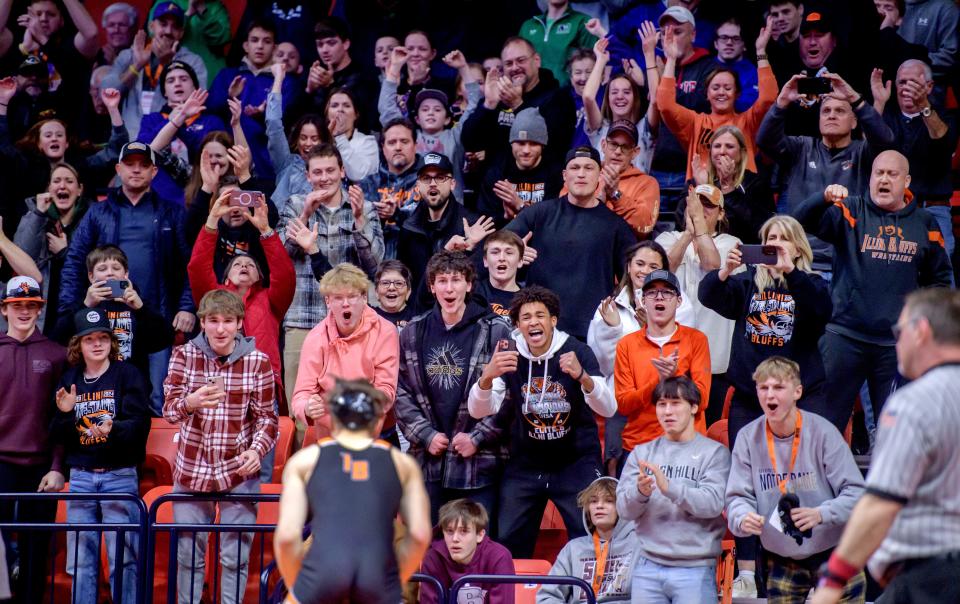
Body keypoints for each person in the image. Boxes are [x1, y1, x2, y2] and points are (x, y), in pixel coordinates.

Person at [810, 289, 960, 604]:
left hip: (932, 576)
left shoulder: (914, 402)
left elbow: (881, 503)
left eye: (899, 331)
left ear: (921, 332)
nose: (897, 342)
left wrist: (833, 578)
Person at [793, 151, 952, 433]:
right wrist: (824, 197)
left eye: (892, 174)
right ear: (870, 178)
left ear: (907, 181)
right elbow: (800, 220)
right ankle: (815, 478)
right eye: (879, 173)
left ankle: (890, 479)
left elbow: (939, 280)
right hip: (844, 336)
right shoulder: (850, 211)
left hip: (896, 344)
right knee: (820, 427)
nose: (884, 179)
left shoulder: (926, 223)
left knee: (899, 432)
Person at [469, 285, 615, 557]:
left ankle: (587, 597)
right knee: (507, 541)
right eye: (526, 317)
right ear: (517, 325)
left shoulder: (576, 350)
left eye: (540, 315)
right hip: (527, 464)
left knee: (588, 535)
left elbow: (607, 407)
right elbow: (479, 410)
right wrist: (487, 377)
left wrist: (582, 376)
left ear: (553, 321)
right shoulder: (509, 355)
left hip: (576, 461)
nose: (533, 322)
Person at [59, 142, 195, 415]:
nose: (136, 170)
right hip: (107, 320)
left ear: (154, 171)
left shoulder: (172, 212)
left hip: (157, 317)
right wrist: (71, 310)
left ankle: (154, 458)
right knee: (109, 395)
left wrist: (187, 306)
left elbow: (190, 265)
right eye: (130, 164)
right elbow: (74, 262)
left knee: (159, 396)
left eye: (143, 165)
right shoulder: (97, 212)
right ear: (118, 169)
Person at [163, 289, 277, 604]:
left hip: (238, 473)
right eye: (213, 321)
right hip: (192, 470)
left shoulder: (258, 362)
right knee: (187, 557)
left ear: (240, 323)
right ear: (202, 323)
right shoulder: (184, 355)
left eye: (228, 320)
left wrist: (256, 450)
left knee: (235, 559)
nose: (221, 328)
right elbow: (169, 410)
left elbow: (268, 419)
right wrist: (191, 401)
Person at [274, 378, 431, 604]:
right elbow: (419, 535)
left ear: (335, 420)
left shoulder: (304, 461)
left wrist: (296, 587)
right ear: (377, 421)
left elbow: (287, 537)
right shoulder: (401, 464)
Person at [725, 356, 866, 603]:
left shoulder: (823, 432)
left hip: (836, 552)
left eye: (779, 387)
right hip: (780, 556)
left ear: (797, 391)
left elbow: (857, 493)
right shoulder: (748, 438)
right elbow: (737, 497)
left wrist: (822, 513)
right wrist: (742, 516)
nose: (770, 395)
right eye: (764, 388)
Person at [396, 251, 510, 522]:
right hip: (429, 461)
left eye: (456, 280)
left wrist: (477, 437)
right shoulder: (413, 331)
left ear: (469, 285)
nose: (449, 288)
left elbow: (510, 397)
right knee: (427, 552)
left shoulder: (496, 330)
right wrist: (425, 434)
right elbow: (400, 392)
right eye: (442, 281)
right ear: (432, 287)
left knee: (476, 550)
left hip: (479, 463)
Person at [50, 308, 150, 604]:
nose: (97, 344)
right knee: (81, 560)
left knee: (124, 558)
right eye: (89, 338)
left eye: (103, 337)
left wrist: (113, 429)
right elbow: (56, 432)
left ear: (111, 341)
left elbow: (139, 425)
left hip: (119, 475)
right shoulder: (69, 378)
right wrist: (67, 414)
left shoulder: (128, 374)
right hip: (80, 476)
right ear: (78, 345)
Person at [757, 69, 895, 273]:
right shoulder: (801, 148)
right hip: (801, 259)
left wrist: (855, 99)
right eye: (826, 111)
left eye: (840, 111)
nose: (831, 115)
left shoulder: (863, 153)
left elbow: (885, 140)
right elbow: (764, 140)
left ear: (854, 121)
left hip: (847, 261)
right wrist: (783, 101)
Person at [277, 143, 383, 399]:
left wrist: (359, 221)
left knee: (347, 404)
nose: (324, 178)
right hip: (303, 317)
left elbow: (375, 265)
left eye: (330, 170)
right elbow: (280, 257)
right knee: (300, 404)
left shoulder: (365, 208)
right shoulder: (294, 205)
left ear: (342, 171)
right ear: (308, 176)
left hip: (352, 322)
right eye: (317, 172)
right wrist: (305, 215)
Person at [617, 376, 730, 602]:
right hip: (646, 566)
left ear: (694, 407)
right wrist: (640, 493)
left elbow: (713, 504)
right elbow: (623, 510)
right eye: (662, 404)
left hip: (695, 568)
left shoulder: (714, 453)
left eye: (676, 403)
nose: (668, 411)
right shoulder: (642, 453)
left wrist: (670, 488)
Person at [506, 146, 637, 340]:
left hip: (592, 332)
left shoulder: (615, 226)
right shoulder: (538, 214)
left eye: (588, 168)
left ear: (600, 175)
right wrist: (514, 252)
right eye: (575, 168)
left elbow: (632, 279)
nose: (581, 174)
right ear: (565, 175)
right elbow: (496, 247)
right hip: (539, 329)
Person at [188, 189, 295, 418]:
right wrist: (212, 221)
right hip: (218, 384)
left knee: (262, 450)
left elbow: (284, 274)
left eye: (250, 264)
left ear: (260, 277)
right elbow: (197, 268)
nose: (244, 265)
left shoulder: (271, 300)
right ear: (226, 278)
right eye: (237, 264)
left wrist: (266, 230)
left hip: (261, 384)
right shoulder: (213, 296)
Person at [0, 276, 67, 603]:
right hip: (0, 462)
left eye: (31, 305)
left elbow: (62, 418)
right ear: (4, 310)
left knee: (36, 548)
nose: (24, 311)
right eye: (17, 305)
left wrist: (57, 467)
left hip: (41, 465)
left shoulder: (57, 354)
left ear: (40, 310)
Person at [656, 184, 740, 418]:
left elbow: (712, 265)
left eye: (708, 206)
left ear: (721, 213)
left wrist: (700, 228)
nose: (700, 210)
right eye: (696, 204)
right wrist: (687, 235)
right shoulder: (667, 238)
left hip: (714, 358)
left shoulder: (731, 242)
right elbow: (663, 271)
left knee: (710, 425)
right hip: (671, 355)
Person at [657, 16, 777, 180]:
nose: (721, 92)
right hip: (702, 197)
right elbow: (665, 106)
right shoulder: (695, 123)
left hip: (740, 198)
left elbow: (768, 99)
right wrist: (671, 59)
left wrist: (761, 52)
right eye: (715, 87)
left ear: (737, 94)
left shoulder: (747, 121)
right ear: (706, 93)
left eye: (728, 88)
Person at [290, 263, 400, 442]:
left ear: (364, 297)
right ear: (328, 301)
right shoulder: (315, 337)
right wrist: (307, 407)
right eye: (338, 298)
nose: (346, 303)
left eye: (352, 296)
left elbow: (386, 389)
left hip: (376, 432)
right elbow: (301, 395)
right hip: (330, 435)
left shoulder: (386, 331)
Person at [614, 270, 711, 465]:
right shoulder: (626, 344)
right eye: (651, 292)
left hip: (688, 446)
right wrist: (657, 383)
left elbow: (703, 401)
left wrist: (675, 378)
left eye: (667, 292)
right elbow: (624, 405)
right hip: (640, 446)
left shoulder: (696, 340)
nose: (659, 297)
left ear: (679, 301)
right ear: (642, 300)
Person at [57, 245, 173, 397]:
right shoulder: (83, 304)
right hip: (92, 391)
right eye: (102, 268)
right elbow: (58, 338)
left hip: (131, 388)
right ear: (91, 277)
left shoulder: (138, 305)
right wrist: (85, 306)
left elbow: (164, 339)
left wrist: (140, 309)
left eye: (116, 268)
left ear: (126, 274)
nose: (110, 273)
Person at [872, 59, 957, 257]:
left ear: (929, 87)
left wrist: (924, 106)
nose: (907, 88)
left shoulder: (945, 116)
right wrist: (878, 102)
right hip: (890, 212)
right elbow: (865, 148)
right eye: (902, 82)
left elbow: (944, 144)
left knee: (942, 282)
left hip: (932, 211)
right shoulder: (887, 115)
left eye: (914, 83)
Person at [461, 36, 576, 168]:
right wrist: (489, 105)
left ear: (537, 60)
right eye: (509, 63)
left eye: (521, 60)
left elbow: (555, 145)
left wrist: (518, 106)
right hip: (496, 183)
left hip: (538, 184)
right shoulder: (498, 97)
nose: (515, 67)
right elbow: (469, 142)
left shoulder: (558, 98)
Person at [380, 49, 480, 194]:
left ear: (447, 119)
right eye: (425, 109)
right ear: (417, 119)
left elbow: (475, 106)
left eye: (438, 109)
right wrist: (394, 68)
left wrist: (463, 68)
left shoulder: (455, 136)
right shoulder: (409, 137)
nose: (431, 112)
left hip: (451, 209)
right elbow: (387, 110)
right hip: (413, 207)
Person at [208, 21, 297, 184]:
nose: (260, 46)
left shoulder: (285, 81)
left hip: (267, 167)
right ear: (245, 45)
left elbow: (288, 123)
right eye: (254, 40)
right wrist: (229, 97)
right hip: (226, 164)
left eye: (267, 41)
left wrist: (262, 115)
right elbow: (209, 115)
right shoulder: (227, 75)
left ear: (275, 48)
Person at [103, 3, 208, 140]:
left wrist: (168, 65)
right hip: (129, 139)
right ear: (151, 26)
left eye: (175, 26)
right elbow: (105, 93)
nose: (168, 31)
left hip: (170, 141)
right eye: (163, 24)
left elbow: (197, 102)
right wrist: (138, 65)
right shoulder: (129, 56)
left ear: (181, 33)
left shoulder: (193, 62)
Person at [398, 152, 494, 295]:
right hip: (418, 309)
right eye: (426, 178)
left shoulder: (472, 225)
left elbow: (476, 283)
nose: (432, 184)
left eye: (440, 177)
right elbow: (404, 279)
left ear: (452, 184)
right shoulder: (409, 227)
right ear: (417, 186)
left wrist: (468, 250)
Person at [14, 162, 91, 334]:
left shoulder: (92, 219)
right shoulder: (34, 214)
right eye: (56, 181)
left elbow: (96, 266)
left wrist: (65, 252)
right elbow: (21, 253)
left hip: (77, 310)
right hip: (43, 312)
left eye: (69, 181)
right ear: (49, 188)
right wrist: (39, 214)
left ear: (80, 190)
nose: (62, 185)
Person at [137, 61, 226, 204]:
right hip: (157, 200)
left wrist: (182, 121)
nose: (177, 84)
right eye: (170, 80)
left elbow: (212, 157)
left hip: (198, 198)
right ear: (164, 91)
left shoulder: (212, 121)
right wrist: (172, 121)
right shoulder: (152, 119)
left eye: (184, 79)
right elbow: (142, 153)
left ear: (195, 86)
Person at [538, 477, 636, 603]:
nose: (599, 506)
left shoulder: (639, 544)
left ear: (622, 507)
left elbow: (654, 595)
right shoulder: (572, 549)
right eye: (593, 501)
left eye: (609, 501)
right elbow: (547, 596)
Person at [477, 107, 562, 227]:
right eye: (520, 143)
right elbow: (484, 220)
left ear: (543, 145)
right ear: (511, 143)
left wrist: (520, 206)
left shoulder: (555, 174)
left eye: (533, 143)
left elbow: (552, 222)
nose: (526, 150)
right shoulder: (497, 174)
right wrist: (505, 217)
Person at [420, 498, 516, 604]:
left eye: (464, 531)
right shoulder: (432, 558)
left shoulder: (499, 557)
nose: (455, 538)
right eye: (449, 531)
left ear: (480, 535)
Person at [691, 125, 775, 244]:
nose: (722, 151)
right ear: (710, 152)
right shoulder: (697, 181)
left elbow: (763, 228)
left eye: (729, 146)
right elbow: (681, 223)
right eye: (717, 146)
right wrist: (703, 189)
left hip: (742, 253)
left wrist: (728, 188)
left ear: (742, 153)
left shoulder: (756, 183)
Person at [358, 118, 422, 260]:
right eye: (392, 142)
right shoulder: (367, 185)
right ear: (383, 147)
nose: (398, 147)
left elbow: (428, 225)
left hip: (417, 263)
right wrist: (378, 217)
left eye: (404, 141)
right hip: (376, 264)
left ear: (415, 146)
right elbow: (358, 233)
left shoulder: (428, 182)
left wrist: (397, 214)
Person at [146, 0, 231, 80]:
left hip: (212, 77)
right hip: (177, 75)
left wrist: (203, 10)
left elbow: (222, 38)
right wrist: (187, 16)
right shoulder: (164, 1)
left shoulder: (216, 6)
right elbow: (158, 37)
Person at [519, 0, 597, 86]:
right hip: (532, 94)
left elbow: (593, 67)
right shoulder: (528, 26)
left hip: (566, 95)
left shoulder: (582, 22)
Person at [897, 0, 959, 82]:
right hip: (884, 85)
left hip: (926, 88)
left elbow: (949, 58)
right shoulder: (888, 4)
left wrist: (909, 64)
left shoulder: (946, 8)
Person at [475, 230, 524, 319]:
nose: (501, 258)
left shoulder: (530, 300)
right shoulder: (472, 292)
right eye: (495, 252)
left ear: (520, 261)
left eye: (509, 253)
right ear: (485, 261)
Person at [714, 18, 760, 113]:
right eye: (724, 38)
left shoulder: (753, 72)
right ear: (716, 44)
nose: (729, 43)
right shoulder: (702, 68)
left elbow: (749, 105)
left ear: (744, 45)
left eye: (736, 39)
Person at [374, 259, 416, 329]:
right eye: (385, 283)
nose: (391, 288)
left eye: (399, 283)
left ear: (408, 292)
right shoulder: (367, 317)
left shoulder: (418, 319)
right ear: (376, 292)